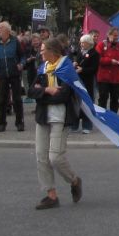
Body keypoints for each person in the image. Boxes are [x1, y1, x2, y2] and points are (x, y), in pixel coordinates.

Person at [28, 36, 83, 211]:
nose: (41, 52)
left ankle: (74, 180)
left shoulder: (66, 68)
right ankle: (51, 195)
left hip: (61, 117)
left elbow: (64, 95)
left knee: (55, 157)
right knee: (41, 157)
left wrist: (41, 94)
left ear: (53, 51)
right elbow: (30, 91)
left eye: (43, 50)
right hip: (43, 117)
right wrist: (47, 90)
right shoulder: (42, 69)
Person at [0, 21, 26, 131]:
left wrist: (21, 63)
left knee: (17, 99)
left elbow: (22, 56)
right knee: (2, 100)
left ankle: (19, 122)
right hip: (2, 74)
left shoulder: (15, 41)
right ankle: (2, 123)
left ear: (7, 30)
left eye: (0, 28)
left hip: (14, 73)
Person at [95, 27, 119, 115]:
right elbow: (98, 59)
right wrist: (110, 61)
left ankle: (113, 116)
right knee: (103, 98)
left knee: (115, 98)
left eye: (117, 36)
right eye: (114, 35)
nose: (116, 37)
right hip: (104, 77)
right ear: (109, 35)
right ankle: (102, 116)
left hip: (116, 78)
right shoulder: (101, 45)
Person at [75, 35, 100, 132]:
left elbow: (94, 68)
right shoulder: (79, 52)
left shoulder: (94, 54)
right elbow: (78, 61)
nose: (81, 44)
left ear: (89, 43)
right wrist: (75, 64)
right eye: (81, 42)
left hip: (88, 81)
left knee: (87, 102)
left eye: (83, 43)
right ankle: (75, 125)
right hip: (78, 80)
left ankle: (87, 126)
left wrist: (83, 70)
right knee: (76, 102)